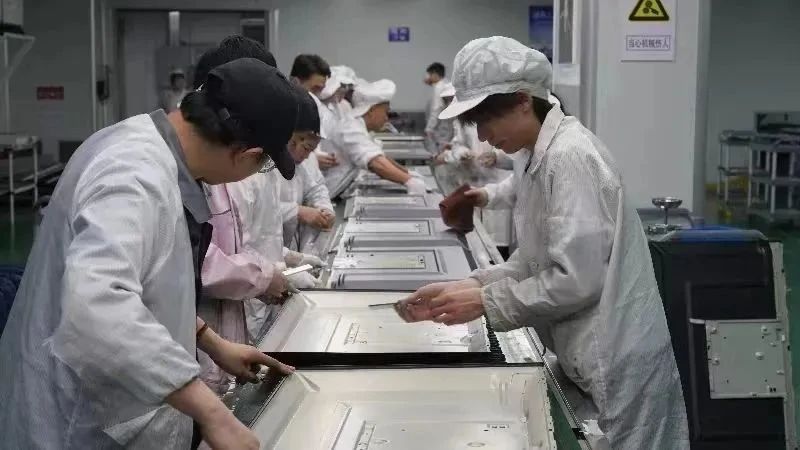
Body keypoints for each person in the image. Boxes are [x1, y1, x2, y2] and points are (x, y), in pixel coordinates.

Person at [398, 36, 689, 449]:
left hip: (614, 361)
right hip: (583, 353)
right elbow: (533, 261)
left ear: (522, 100)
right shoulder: (536, 157)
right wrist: (469, 286)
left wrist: (487, 302)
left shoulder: (570, 156)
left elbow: (576, 279)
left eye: (487, 120)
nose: (484, 136)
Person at [0, 57, 298, 450]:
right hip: (76, 425)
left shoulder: (146, 147)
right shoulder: (133, 174)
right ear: (245, 153)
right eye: (264, 165)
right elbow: (97, 307)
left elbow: (145, 283)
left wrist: (210, 341)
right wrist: (211, 411)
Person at [192, 36, 294, 397]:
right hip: (183, 363)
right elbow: (192, 267)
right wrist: (263, 277)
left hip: (214, 343)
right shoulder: (155, 171)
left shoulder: (211, 165)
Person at [433, 82, 514, 248]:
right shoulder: (461, 122)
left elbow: (519, 154)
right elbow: (458, 144)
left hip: (499, 182)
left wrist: (497, 156)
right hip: (476, 182)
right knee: (480, 240)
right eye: (447, 101)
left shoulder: (498, 117)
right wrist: (462, 153)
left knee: (500, 242)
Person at [323, 79, 427, 198]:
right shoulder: (350, 128)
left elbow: (379, 156)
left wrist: (407, 172)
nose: (386, 118)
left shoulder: (357, 125)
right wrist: (409, 181)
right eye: (385, 112)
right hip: (330, 194)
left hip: (339, 190)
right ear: (372, 110)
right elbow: (375, 163)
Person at [280, 87, 335, 256]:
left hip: (285, 252)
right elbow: (260, 212)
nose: (307, 155)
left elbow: (316, 187)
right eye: (306, 147)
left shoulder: (304, 159)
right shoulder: (262, 163)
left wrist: (324, 208)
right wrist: (298, 212)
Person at [293, 54, 339, 172]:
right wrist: (312, 160)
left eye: (321, 90)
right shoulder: (284, 109)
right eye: (315, 89)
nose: (318, 95)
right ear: (296, 82)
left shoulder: (317, 107)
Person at [424, 62, 453, 152]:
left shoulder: (439, 87)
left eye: (429, 74)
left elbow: (437, 109)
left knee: (440, 151)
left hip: (441, 129)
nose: (428, 77)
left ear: (435, 74)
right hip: (447, 127)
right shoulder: (446, 84)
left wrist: (429, 128)